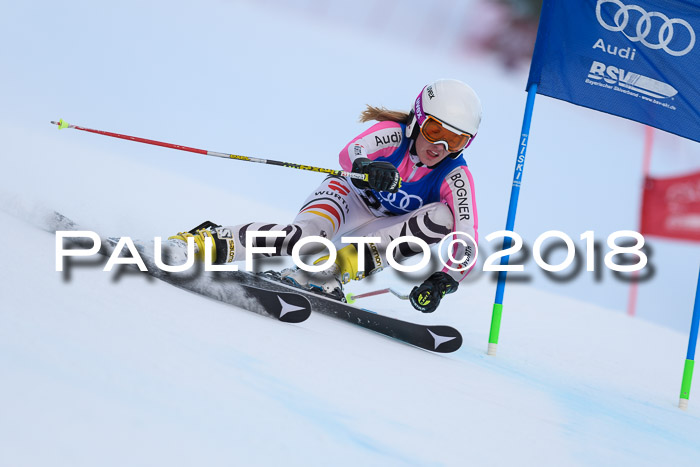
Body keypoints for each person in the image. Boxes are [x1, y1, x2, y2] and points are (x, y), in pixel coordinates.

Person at [170, 78, 481, 313]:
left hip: (382, 232)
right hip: (348, 198)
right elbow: (351, 152)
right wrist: (366, 166)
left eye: (455, 141)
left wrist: (446, 280)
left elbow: (467, 236)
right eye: (435, 131)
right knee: (302, 238)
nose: (440, 147)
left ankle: (324, 275)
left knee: (443, 217)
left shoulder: (455, 176)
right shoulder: (393, 134)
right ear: (417, 119)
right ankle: (201, 244)